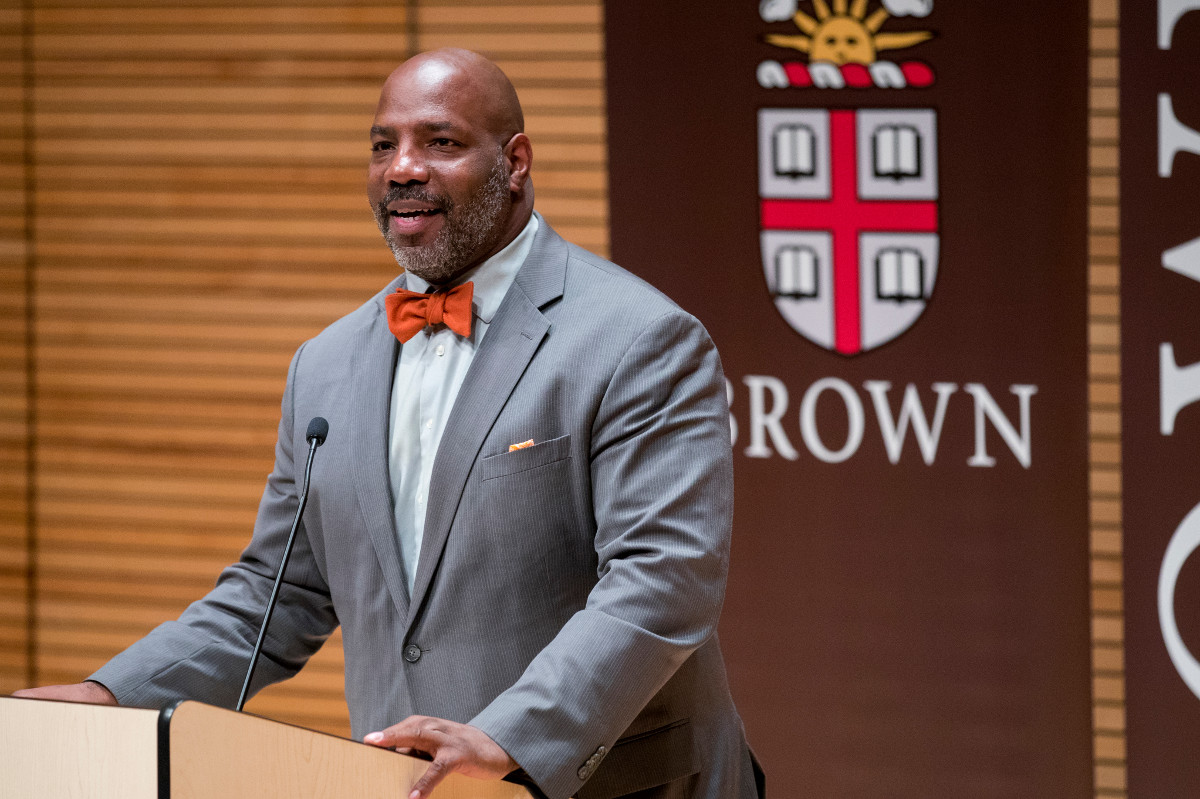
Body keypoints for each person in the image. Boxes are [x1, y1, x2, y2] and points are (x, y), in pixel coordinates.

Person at [15, 49, 763, 799]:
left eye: (440, 142)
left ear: (516, 162)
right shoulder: (325, 364)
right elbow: (276, 595)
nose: (403, 168)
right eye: (383, 145)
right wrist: (110, 695)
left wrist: (508, 735)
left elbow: (662, 580)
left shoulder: (638, 338)